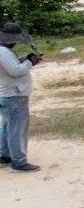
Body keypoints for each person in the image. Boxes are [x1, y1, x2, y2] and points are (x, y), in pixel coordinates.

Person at [0, 22, 43, 173]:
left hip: (8, 94)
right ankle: (18, 161)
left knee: (7, 127)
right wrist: (30, 62)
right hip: (14, 95)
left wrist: (26, 59)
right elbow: (15, 71)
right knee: (17, 129)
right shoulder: (3, 51)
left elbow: (11, 66)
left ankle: (5, 155)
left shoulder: (4, 51)